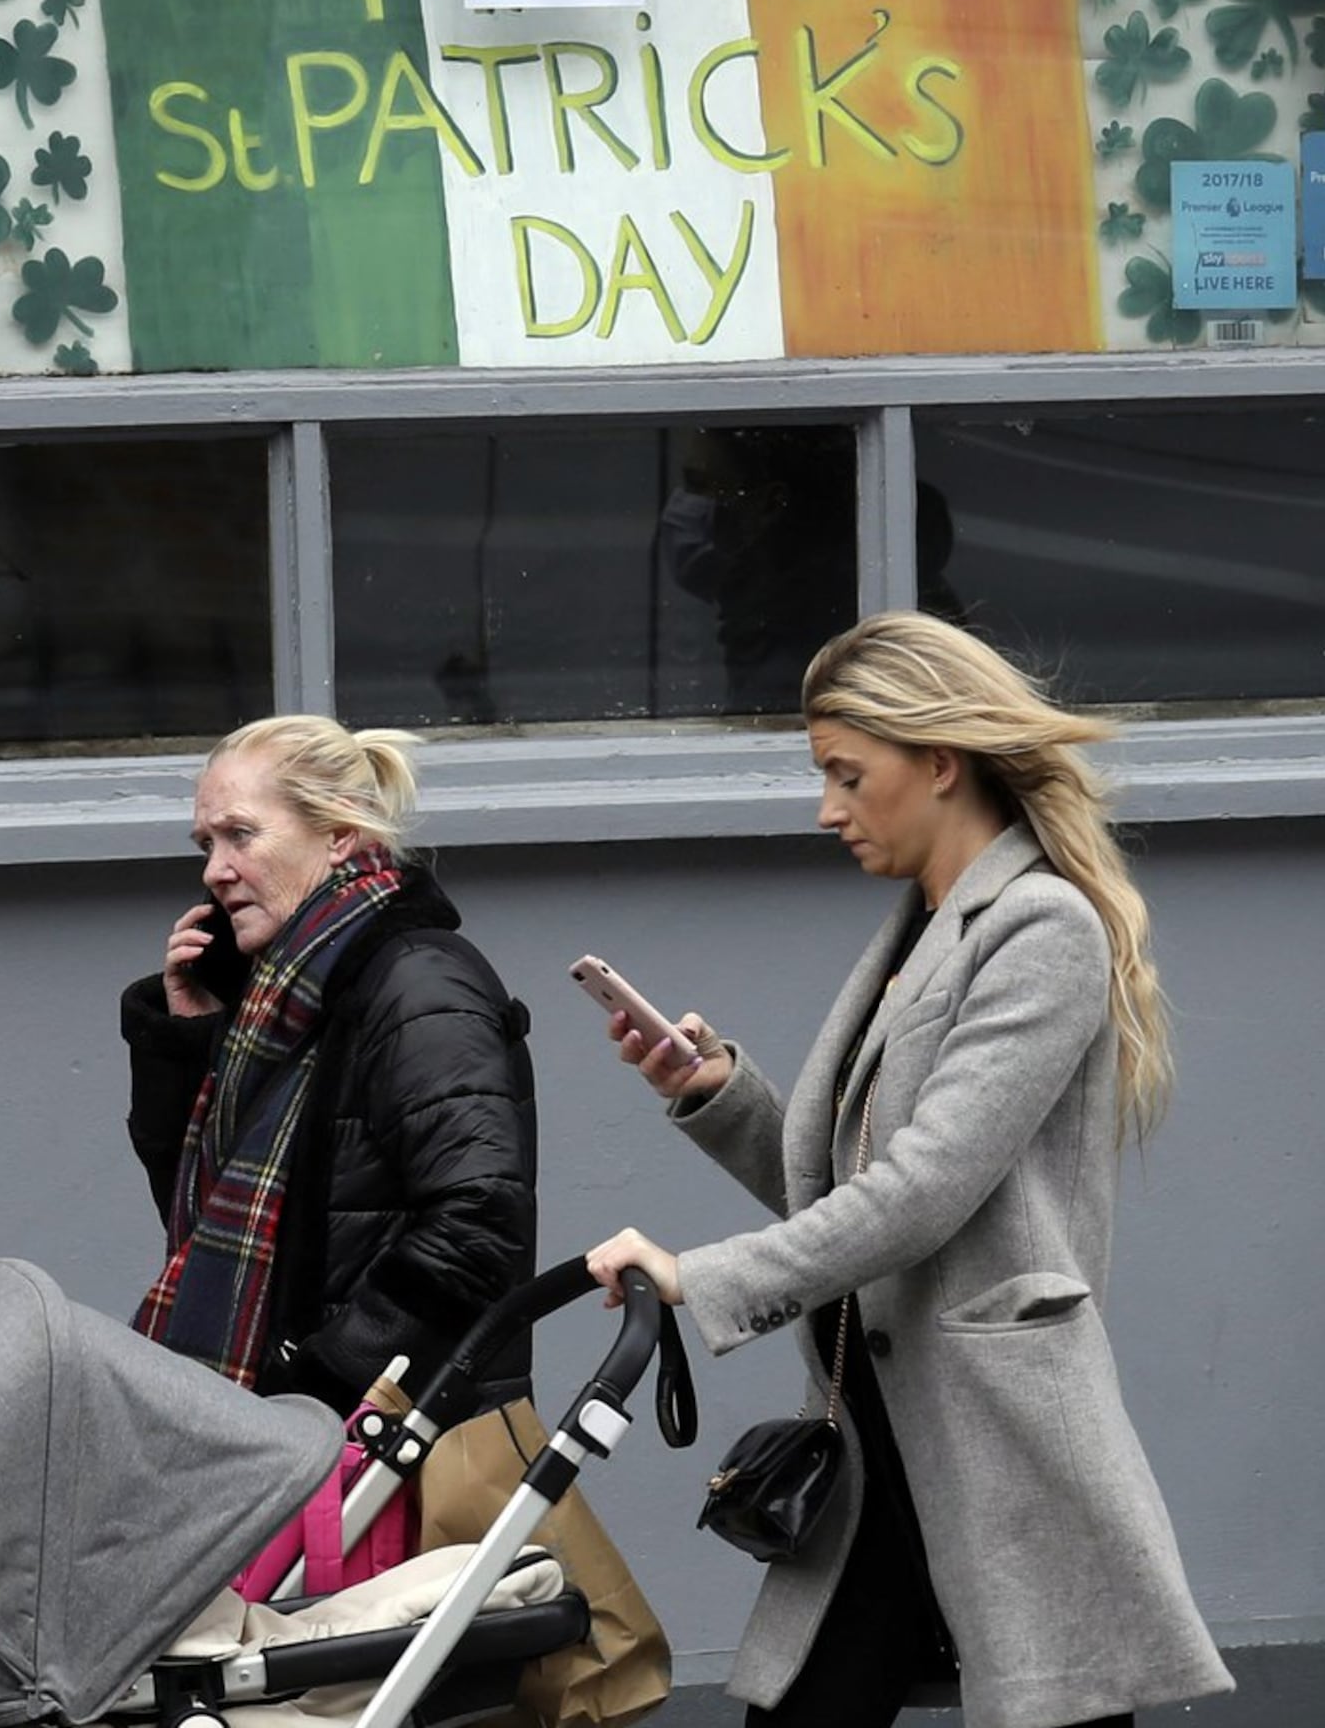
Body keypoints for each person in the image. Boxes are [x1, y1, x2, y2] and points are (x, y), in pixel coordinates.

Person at [582, 613, 1230, 1728]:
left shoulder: (1039, 928)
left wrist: (700, 1274)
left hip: (994, 1427)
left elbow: (924, 1194)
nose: (827, 808)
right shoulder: (922, 928)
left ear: (938, 762)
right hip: (875, 1421)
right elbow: (856, 1193)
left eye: (847, 775)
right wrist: (716, 1094)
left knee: (1054, 1710)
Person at [124, 715, 537, 1417]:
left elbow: (480, 1221)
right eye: (206, 843)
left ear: (339, 835)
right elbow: (199, 1220)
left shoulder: (417, 983)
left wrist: (326, 1382)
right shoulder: (280, 1001)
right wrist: (189, 1037)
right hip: (299, 1432)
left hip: (382, 1445)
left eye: (240, 835)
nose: (213, 870)